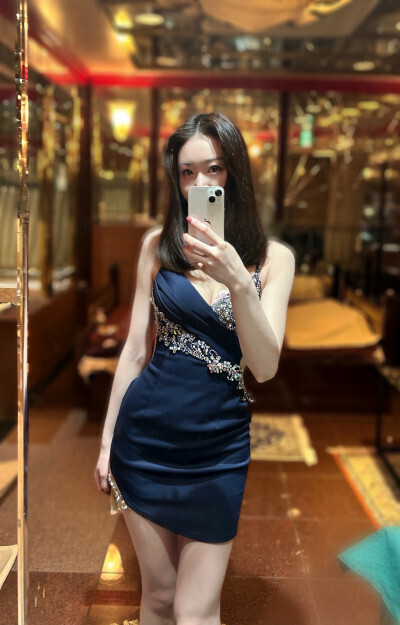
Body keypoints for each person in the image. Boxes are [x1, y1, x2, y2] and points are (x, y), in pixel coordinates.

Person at [95, 112, 295, 625]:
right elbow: (134, 353)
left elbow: (265, 366)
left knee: (197, 610)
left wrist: (237, 280)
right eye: (187, 173)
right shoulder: (156, 248)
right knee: (160, 600)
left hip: (219, 449)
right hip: (145, 440)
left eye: (213, 169)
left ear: (235, 173)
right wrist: (106, 441)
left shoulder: (273, 259)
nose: (200, 183)